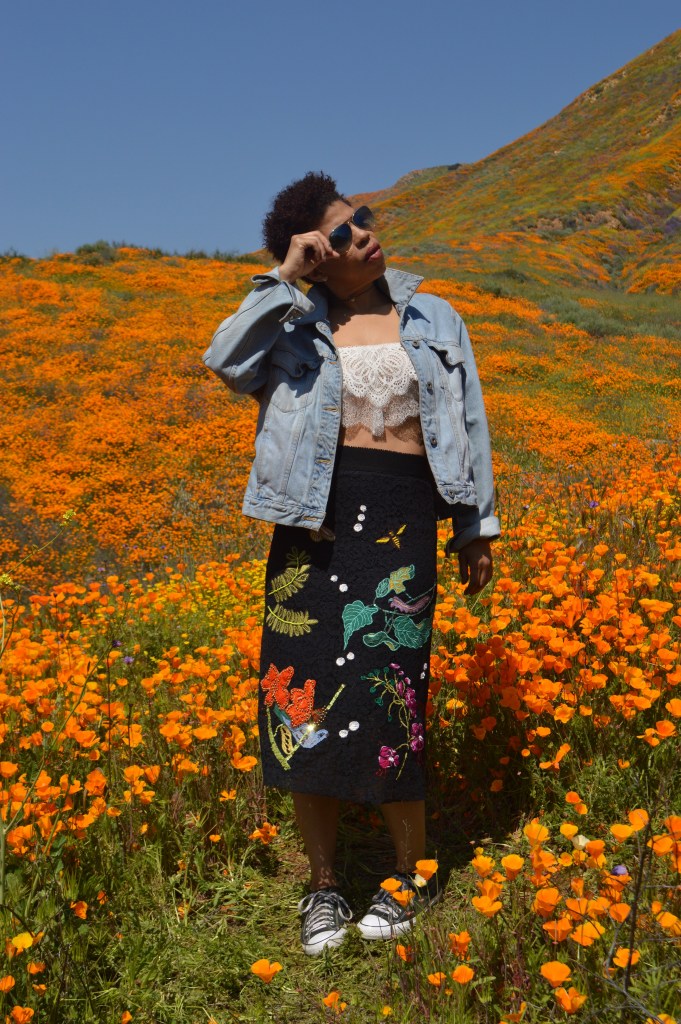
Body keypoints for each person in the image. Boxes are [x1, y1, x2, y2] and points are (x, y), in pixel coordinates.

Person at [203, 172, 500, 955]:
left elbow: (468, 421)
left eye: (360, 219)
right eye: (339, 233)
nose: (363, 234)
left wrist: (475, 525)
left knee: (395, 696)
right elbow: (223, 361)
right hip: (314, 528)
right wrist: (283, 279)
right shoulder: (290, 324)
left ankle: (411, 871)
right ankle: (324, 885)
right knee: (298, 706)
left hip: (400, 520)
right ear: (314, 254)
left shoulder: (433, 316)